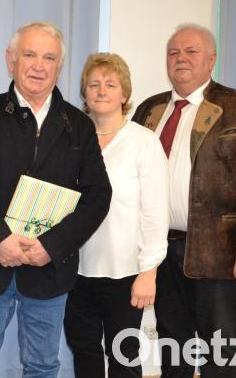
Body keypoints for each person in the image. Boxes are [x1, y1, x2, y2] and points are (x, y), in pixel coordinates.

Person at [0, 21, 112, 378]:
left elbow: (98, 195)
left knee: (42, 366)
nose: (39, 65)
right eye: (30, 55)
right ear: (11, 60)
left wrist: (52, 245)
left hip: (48, 270)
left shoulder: (79, 125)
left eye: (49, 57)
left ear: (59, 66)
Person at [132, 23, 236, 378]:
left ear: (211, 59)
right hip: (161, 251)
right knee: (173, 348)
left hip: (221, 252)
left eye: (191, 51)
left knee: (221, 351)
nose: (180, 58)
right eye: (173, 53)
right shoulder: (149, 110)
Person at [64, 53, 169, 378]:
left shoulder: (144, 142)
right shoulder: (71, 141)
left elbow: (155, 212)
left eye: (110, 84)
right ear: (84, 94)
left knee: (124, 356)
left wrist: (148, 272)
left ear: (124, 94)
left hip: (125, 273)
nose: (101, 91)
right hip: (74, 270)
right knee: (83, 351)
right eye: (93, 84)